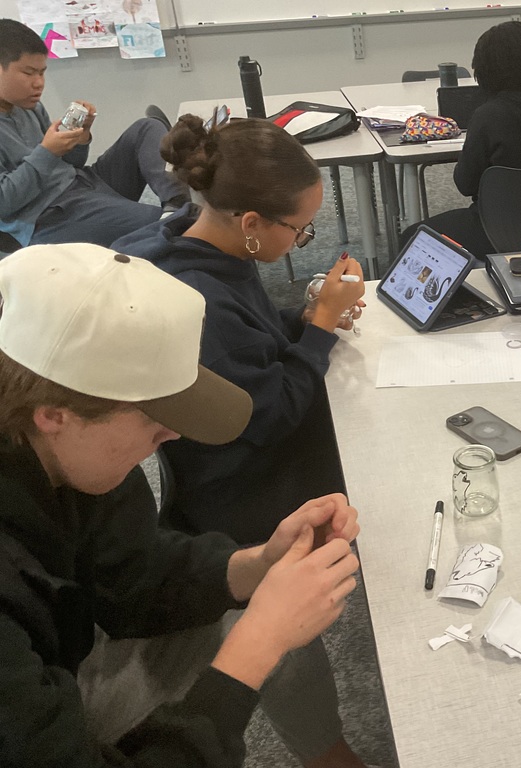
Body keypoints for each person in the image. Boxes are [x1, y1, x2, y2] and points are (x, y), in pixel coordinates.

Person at [0, 242, 362, 767]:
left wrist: (258, 564)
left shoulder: (69, 455)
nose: (172, 434)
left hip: (55, 660)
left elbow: (130, 574)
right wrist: (258, 643)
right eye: (153, 415)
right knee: (264, 630)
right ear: (55, 415)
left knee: (269, 603)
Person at [111, 117, 369, 768]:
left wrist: (305, 316)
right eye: (300, 230)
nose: (304, 239)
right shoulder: (200, 297)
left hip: (226, 472)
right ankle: (326, 750)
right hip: (243, 493)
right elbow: (268, 414)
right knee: (284, 641)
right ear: (252, 222)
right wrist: (320, 329)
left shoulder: (205, 245)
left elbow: (253, 340)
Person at [401, 20, 521, 258]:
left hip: (493, 232)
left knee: (411, 236)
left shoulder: (488, 118)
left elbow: (465, 184)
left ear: (484, 73)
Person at [0, 18, 188, 248]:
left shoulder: (30, 107)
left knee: (146, 128)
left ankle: (177, 203)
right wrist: (47, 152)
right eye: (29, 73)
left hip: (82, 184)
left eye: (42, 72)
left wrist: (80, 137)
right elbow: (5, 203)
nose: (39, 83)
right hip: (48, 215)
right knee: (167, 227)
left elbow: (71, 164)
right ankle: (180, 219)